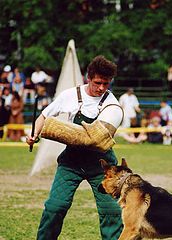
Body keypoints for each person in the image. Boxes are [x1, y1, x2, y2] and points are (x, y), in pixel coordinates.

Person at [26, 56, 123, 240]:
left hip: (102, 166)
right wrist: (34, 134)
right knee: (55, 206)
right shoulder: (69, 95)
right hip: (71, 162)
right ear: (89, 78)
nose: (102, 88)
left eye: (106, 83)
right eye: (98, 83)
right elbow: (44, 116)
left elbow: (94, 139)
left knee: (111, 211)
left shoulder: (113, 105)